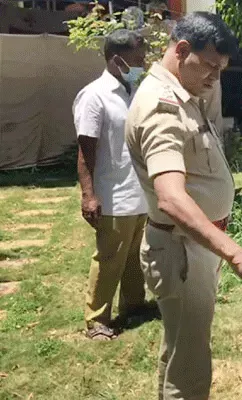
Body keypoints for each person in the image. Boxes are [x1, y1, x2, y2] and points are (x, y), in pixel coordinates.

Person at [124, 12, 242, 399]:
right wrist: (237, 256)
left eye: (221, 69)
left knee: (180, 349)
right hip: (182, 252)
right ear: (181, 51)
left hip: (190, 249)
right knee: (192, 368)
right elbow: (172, 198)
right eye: (211, 67)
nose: (215, 77)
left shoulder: (185, 94)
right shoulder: (163, 109)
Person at [73, 29, 149, 340]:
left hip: (138, 192)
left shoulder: (131, 92)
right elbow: (85, 150)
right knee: (109, 258)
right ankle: (96, 319)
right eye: (137, 59)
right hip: (113, 194)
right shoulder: (94, 96)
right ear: (116, 59)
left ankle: (133, 305)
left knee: (134, 256)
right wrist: (89, 195)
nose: (142, 64)